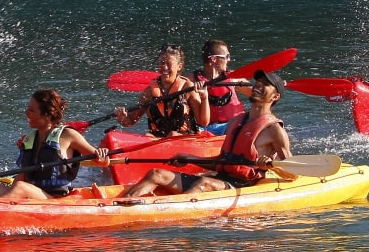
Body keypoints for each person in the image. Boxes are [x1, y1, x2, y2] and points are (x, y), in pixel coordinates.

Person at [121, 69, 292, 197]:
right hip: (219, 178)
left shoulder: (274, 130)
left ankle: (173, 213)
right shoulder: (236, 121)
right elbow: (221, 161)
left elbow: (292, 173)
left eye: (266, 84)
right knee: (156, 174)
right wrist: (190, 158)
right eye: (258, 81)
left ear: (275, 97)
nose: (258, 85)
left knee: (204, 183)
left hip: (242, 186)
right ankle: (124, 206)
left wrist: (270, 165)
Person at [0, 89, 109, 199]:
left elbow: (102, 161)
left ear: (46, 114)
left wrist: (102, 158)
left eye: (31, 110)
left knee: (21, 188)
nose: (26, 113)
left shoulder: (67, 135)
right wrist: (6, 192)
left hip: (54, 199)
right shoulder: (29, 139)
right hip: (30, 192)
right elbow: (23, 175)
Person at [115, 43, 210, 136]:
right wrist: (123, 118)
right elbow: (131, 121)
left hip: (185, 139)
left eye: (169, 64)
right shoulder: (149, 92)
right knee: (148, 135)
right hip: (158, 140)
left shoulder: (187, 88)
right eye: (162, 63)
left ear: (179, 66)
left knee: (173, 134)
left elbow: (203, 122)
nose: (164, 67)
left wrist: (205, 98)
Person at [190, 39, 251, 132]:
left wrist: (274, 87)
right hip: (205, 130)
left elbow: (256, 93)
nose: (229, 60)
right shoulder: (191, 80)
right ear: (213, 59)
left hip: (233, 126)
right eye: (227, 56)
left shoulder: (233, 77)